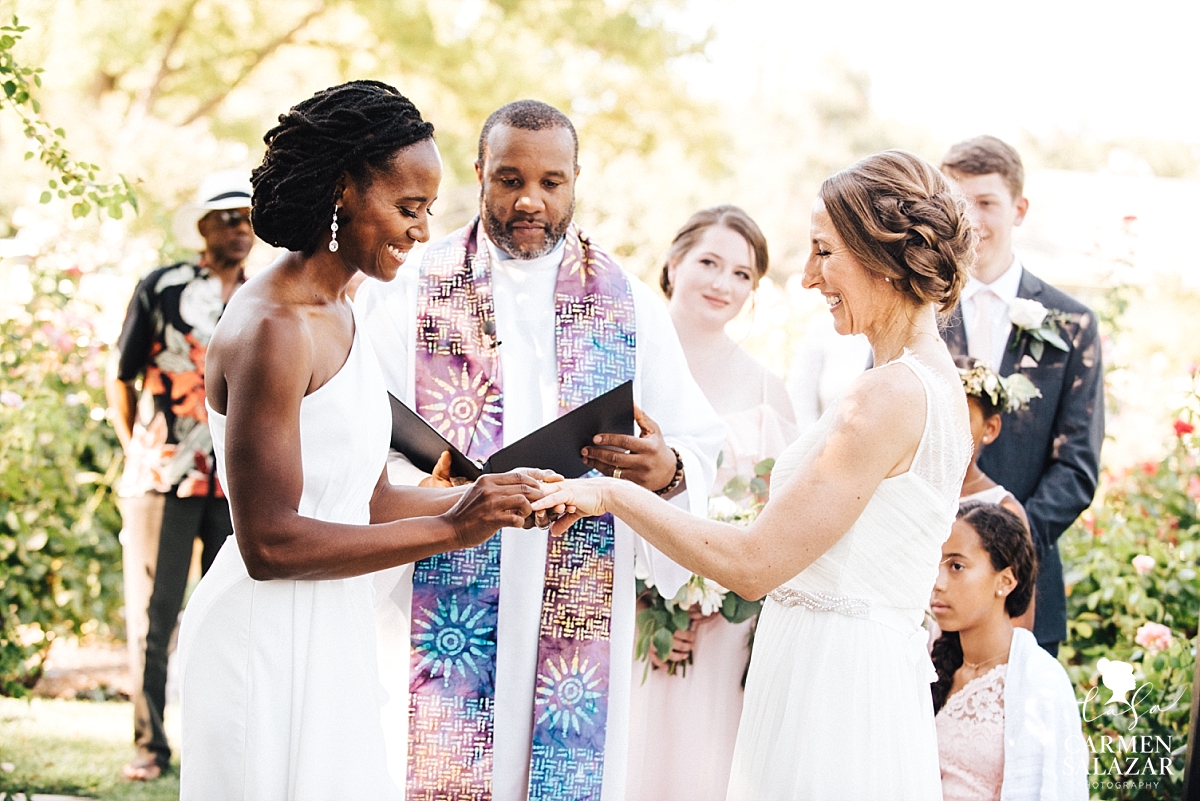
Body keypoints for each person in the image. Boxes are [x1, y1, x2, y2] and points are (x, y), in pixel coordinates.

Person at [535, 150, 976, 799]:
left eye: (824, 252)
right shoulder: (930, 383)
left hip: (832, 688)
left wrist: (611, 492)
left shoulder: (885, 396)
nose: (806, 277)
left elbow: (752, 563)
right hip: (857, 669)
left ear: (878, 253)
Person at [175, 81, 553, 800]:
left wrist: (486, 498)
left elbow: (365, 495)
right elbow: (269, 543)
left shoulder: (344, 308)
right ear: (343, 190)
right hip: (265, 640)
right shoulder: (272, 329)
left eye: (427, 211)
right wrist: (452, 528)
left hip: (331, 627)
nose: (420, 229)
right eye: (407, 208)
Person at [356, 99, 724, 801]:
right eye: (509, 178)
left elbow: (696, 441)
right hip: (443, 585)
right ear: (479, 175)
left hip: (580, 588)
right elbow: (366, 442)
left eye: (551, 182)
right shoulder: (408, 293)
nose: (530, 199)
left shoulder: (631, 302)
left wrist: (668, 469)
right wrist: (438, 489)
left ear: (577, 180)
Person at [626, 205, 797, 801]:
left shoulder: (766, 390)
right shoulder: (625, 365)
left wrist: (721, 590)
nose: (724, 284)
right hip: (621, 613)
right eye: (709, 263)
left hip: (721, 629)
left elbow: (782, 519)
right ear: (673, 263)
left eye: (743, 274)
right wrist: (642, 606)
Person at [106, 169, 253, 781]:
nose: (239, 229)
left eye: (247, 218)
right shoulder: (162, 285)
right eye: (226, 218)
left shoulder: (264, 292)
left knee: (229, 615)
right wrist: (138, 449)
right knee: (154, 615)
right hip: (162, 477)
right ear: (202, 226)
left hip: (235, 483)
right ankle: (149, 746)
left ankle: (222, 749)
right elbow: (122, 372)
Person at [940, 135, 1104, 656]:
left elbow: (1076, 465)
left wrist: (1004, 547)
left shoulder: (1071, 324)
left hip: (1024, 594)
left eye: (985, 203)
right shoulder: (913, 311)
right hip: (921, 586)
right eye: (956, 203)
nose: (971, 219)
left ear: (1019, 209)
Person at [930, 502, 1087, 800]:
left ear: (1005, 581)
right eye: (934, 565)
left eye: (956, 566)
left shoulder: (1040, 682)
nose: (937, 584)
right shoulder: (931, 664)